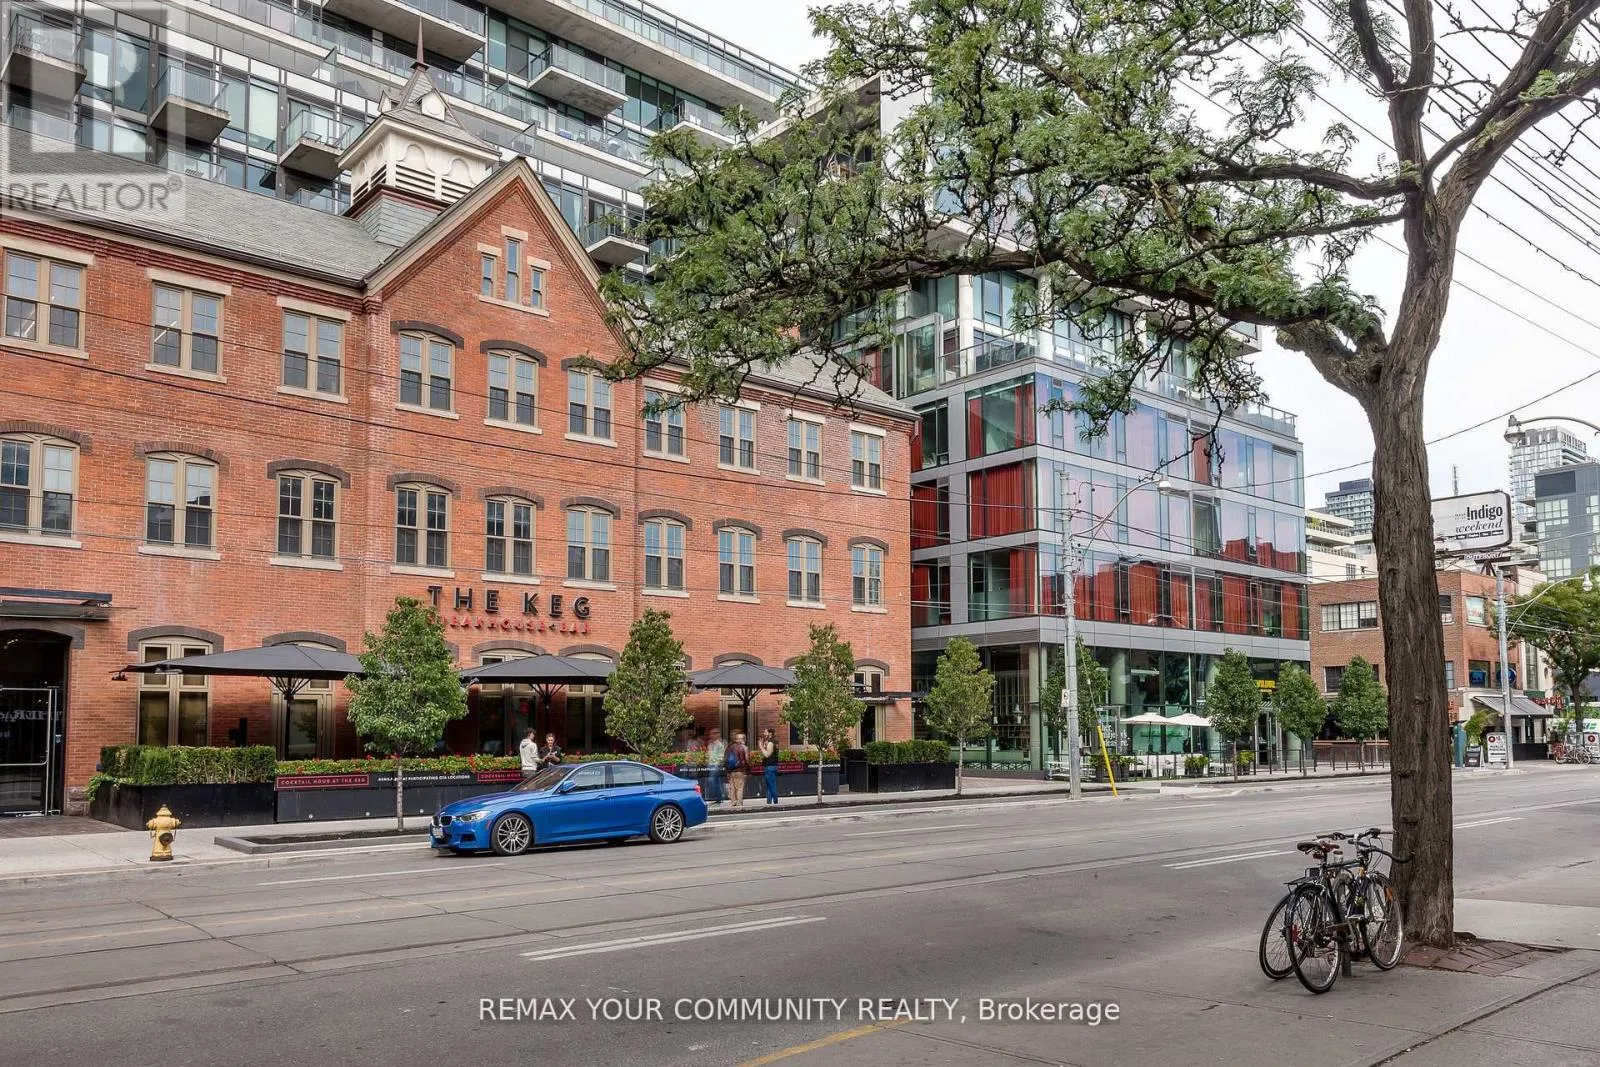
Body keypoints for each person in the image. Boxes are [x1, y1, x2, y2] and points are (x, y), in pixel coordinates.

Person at [726, 731, 751, 810]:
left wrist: (727, 771)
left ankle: (733, 802)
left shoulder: (729, 746)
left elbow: (726, 759)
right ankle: (739, 802)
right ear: (744, 739)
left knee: (732, 787)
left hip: (731, 770)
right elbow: (747, 760)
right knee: (739, 787)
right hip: (740, 770)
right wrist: (748, 771)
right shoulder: (744, 747)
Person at [705, 728, 726, 805]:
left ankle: (719, 798)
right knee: (716, 782)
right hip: (710, 765)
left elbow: (721, 756)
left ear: (717, 734)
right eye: (710, 734)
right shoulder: (710, 744)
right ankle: (719, 799)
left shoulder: (719, 745)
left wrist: (718, 764)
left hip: (716, 765)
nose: (711, 735)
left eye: (712, 734)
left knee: (712, 781)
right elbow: (709, 754)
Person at [759, 728, 779, 806]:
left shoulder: (771, 742)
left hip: (770, 766)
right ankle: (769, 802)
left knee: (771, 785)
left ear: (770, 733)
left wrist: (761, 747)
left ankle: (775, 802)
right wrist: (764, 745)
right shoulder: (774, 741)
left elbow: (767, 754)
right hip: (772, 765)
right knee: (769, 785)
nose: (764, 734)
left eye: (765, 732)